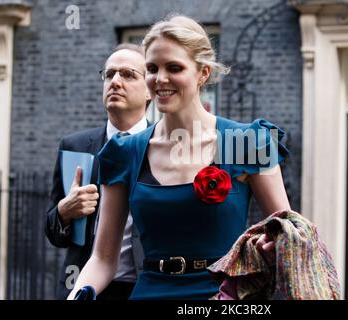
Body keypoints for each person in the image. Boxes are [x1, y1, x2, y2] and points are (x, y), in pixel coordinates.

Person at [67, 14, 291, 300]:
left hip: (226, 296)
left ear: (203, 74)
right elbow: (103, 258)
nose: (160, 79)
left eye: (174, 67)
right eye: (151, 68)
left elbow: (287, 235)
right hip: (150, 292)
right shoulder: (125, 152)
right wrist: (78, 294)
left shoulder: (244, 142)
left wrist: (272, 243)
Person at [45, 43, 151, 299]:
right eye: (109, 74)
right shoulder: (74, 146)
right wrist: (64, 211)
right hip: (85, 286)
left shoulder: (162, 145)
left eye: (127, 74)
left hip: (144, 288)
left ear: (150, 89)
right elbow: (53, 233)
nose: (115, 81)